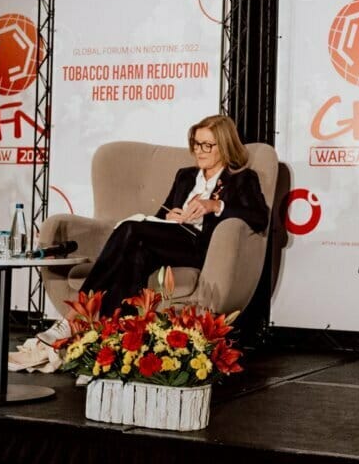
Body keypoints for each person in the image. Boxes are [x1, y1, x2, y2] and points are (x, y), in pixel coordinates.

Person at [74, 114, 268, 317]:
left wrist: (216, 205)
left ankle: (78, 310)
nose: (199, 151)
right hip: (172, 240)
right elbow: (161, 213)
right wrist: (169, 218)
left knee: (130, 228)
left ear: (224, 145)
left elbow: (259, 217)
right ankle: (118, 332)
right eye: (196, 144)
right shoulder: (185, 176)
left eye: (207, 146)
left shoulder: (241, 179)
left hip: (200, 246)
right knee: (135, 254)